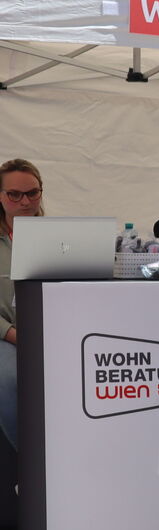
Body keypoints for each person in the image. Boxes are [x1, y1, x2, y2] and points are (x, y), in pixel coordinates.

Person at [0, 159, 45, 451]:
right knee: (12, 380)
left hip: (45, 330)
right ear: (1, 196)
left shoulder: (56, 238)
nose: (24, 201)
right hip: (5, 334)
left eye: (32, 193)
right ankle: (26, 458)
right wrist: (12, 333)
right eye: (14, 194)